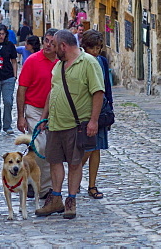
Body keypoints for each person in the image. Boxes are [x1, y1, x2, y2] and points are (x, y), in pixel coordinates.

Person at [36, 30, 104, 220]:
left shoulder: (88, 63)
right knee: (55, 161)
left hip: (76, 124)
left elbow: (98, 92)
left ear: (63, 46)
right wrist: (44, 117)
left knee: (75, 163)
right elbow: (53, 91)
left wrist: (93, 121)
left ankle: (71, 201)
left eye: (55, 46)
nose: (52, 49)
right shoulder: (58, 66)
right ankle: (56, 198)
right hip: (55, 123)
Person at [16, 29, 58, 201]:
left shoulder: (62, 63)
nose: (47, 45)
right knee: (42, 146)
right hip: (34, 109)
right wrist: (21, 116)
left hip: (56, 111)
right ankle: (43, 187)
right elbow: (22, 89)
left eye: (52, 42)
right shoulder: (32, 61)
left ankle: (39, 182)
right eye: (46, 41)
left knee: (51, 148)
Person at [79, 30, 112, 199]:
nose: (96, 51)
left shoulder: (102, 61)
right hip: (86, 109)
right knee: (87, 148)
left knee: (97, 148)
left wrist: (110, 109)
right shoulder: (81, 62)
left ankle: (92, 184)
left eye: (98, 48)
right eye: (93, 48)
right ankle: (76, 177)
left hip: (102, 109)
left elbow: (107, 86)